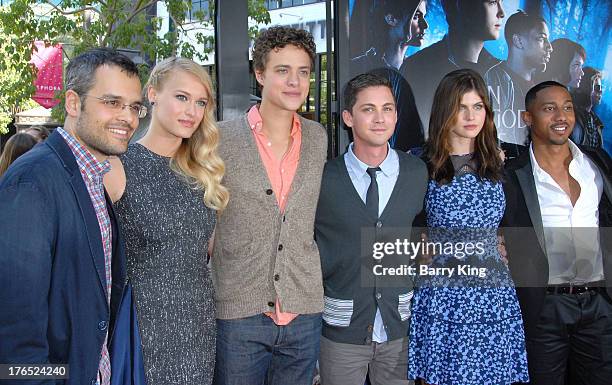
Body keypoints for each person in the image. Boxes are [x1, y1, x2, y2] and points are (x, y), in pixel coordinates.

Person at [0, 48, 143, 385]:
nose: (129, 118)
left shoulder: (93, 175)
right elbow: (15, 334)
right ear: (74, 103)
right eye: (112, 102)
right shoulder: (33, 182)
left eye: (134, 107)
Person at [212, 26, 327, 385]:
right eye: (282, 70)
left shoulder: (318, 137)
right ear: (260, 74)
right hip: (238, 313)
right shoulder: (219, 138)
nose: (295, 81)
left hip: (303, 311)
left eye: (303, 72)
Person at [103, 57, 227, 384]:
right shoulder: (119, 167)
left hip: (198, 326)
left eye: (200, 102)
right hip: (141, 328)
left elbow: (207, 253)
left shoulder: (204, 173)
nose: (191, 111)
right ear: (153, 94)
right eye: (181, 97)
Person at [408, 69, 529, 385]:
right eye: (461, 107)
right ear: (445, 110)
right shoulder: (420, 165)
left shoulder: (502, 165)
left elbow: (516, 226)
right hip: (442, 295)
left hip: (493, 295)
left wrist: (505, 244)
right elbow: (404, 228)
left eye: (478, 107)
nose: (471, 115)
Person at [315, 73, 428, 385]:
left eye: (388, 109)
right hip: (341, 330)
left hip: (399, 328)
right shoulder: (323, 178)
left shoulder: (418, 172)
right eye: (368, 109)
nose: (380, 119)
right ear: (348, 117)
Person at [502, 80, 612, 385]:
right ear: (527, 117)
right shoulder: (511, 176)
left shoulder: (597, 163)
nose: (561, 116)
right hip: (544, 308)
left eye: (566, 107)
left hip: (600, 303)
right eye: (549, 109)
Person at [400, 0, 505, 130]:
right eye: (492, 2)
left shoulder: (501, 71)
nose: (502, 13)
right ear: (460, 6)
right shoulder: (416, 68)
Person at [350, 0, 427, 152]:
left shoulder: (419, 69)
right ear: (391, 18)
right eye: (417, 16)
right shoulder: (358, 67)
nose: (425, 25)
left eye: (425, 17)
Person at [484, 10, 553, 158]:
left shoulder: (542, 89)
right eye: (541, 39)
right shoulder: (494, 79)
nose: (550, 47)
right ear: (518, 41)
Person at [570, 67, 604, 148]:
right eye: (597, 88)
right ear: (584, 87)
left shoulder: (595, 121)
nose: (600, 91)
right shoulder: (571, 115)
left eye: (601, 88)